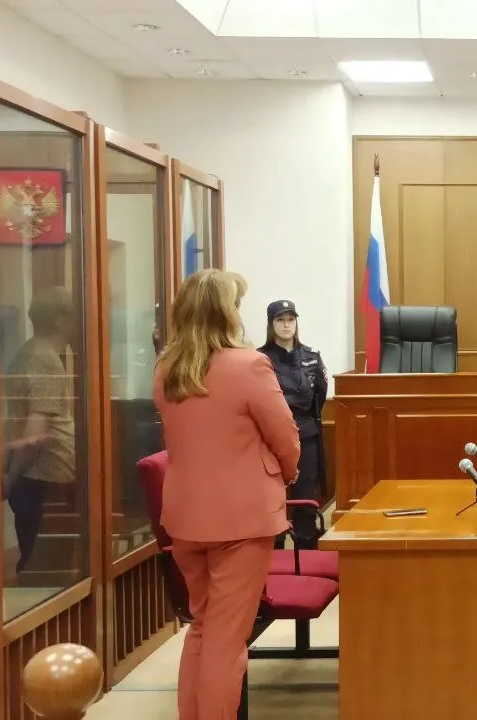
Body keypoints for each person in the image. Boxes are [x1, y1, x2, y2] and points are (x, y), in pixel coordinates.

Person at [153, 269, 300, 718]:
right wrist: (286, 475)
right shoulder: (247, 365)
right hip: (241, 521)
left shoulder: (167, 369)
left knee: (202, 627)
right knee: (227, 640)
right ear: (226, 313)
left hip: (185, 519)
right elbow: (286, 438)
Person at [1, 286, 78, 574]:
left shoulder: (29, 353)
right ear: (60, 320)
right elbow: (36, 431)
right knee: (46, 566)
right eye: (74, 316)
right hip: (44, 475)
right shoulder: (44, 359)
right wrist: (10, 477)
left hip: (35, 476)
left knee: (38, 556)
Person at [258, 299, 328, 550]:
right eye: (280, 320)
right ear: (271, 324)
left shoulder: (311, 357)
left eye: (291, 320)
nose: (286, 325)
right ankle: (275, 553)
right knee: (271, 500)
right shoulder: (259, 359)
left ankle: (306, 553)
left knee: (305, 498)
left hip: (305, 435)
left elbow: (319, 395)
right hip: (270, 439)